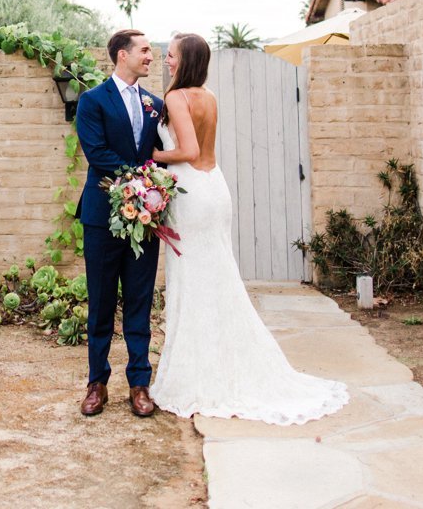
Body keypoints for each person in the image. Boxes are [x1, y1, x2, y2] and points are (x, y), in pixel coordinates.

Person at [148, 32, 348, 424]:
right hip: (215, 187)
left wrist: (155, 157)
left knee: (194, 278)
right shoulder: (209, 96)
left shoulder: (176, 97)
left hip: (191, 191)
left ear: (184, 60)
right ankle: (222, 360)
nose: (165, 61)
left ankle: (203, 373)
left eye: (170, 56)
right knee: (217, 276)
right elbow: (204, 149)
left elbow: (186, 152)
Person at [73, 28, 164, 417]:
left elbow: (160, 152)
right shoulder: (92, 101)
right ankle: (97, 383)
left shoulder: (155, 104)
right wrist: (144, 180)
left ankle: (139, 384)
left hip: (146, 218)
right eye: (144, 50)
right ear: (121, 55)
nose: (150, 56)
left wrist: (155, 189)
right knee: (102, 301)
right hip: (102, 217)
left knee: (141, 301)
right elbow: (97, 153)